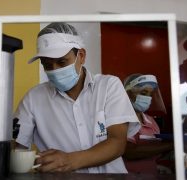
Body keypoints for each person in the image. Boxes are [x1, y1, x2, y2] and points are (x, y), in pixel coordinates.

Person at [13, 22, 140, 173]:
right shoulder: (33, 99)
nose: (55, 70)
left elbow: (117, 143)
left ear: (81, 56)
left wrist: (68, 161)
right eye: (47, 65)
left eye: (62, 62)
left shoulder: (108, 86)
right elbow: (16, 148)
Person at [122, 74, 173, 174]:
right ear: (127, 94)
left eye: (150, 94)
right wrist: (172, 145)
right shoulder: (122, 119)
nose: (148, 98)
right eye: (144, 93)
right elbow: (129, 152)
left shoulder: (151, 121)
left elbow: (156, 151)